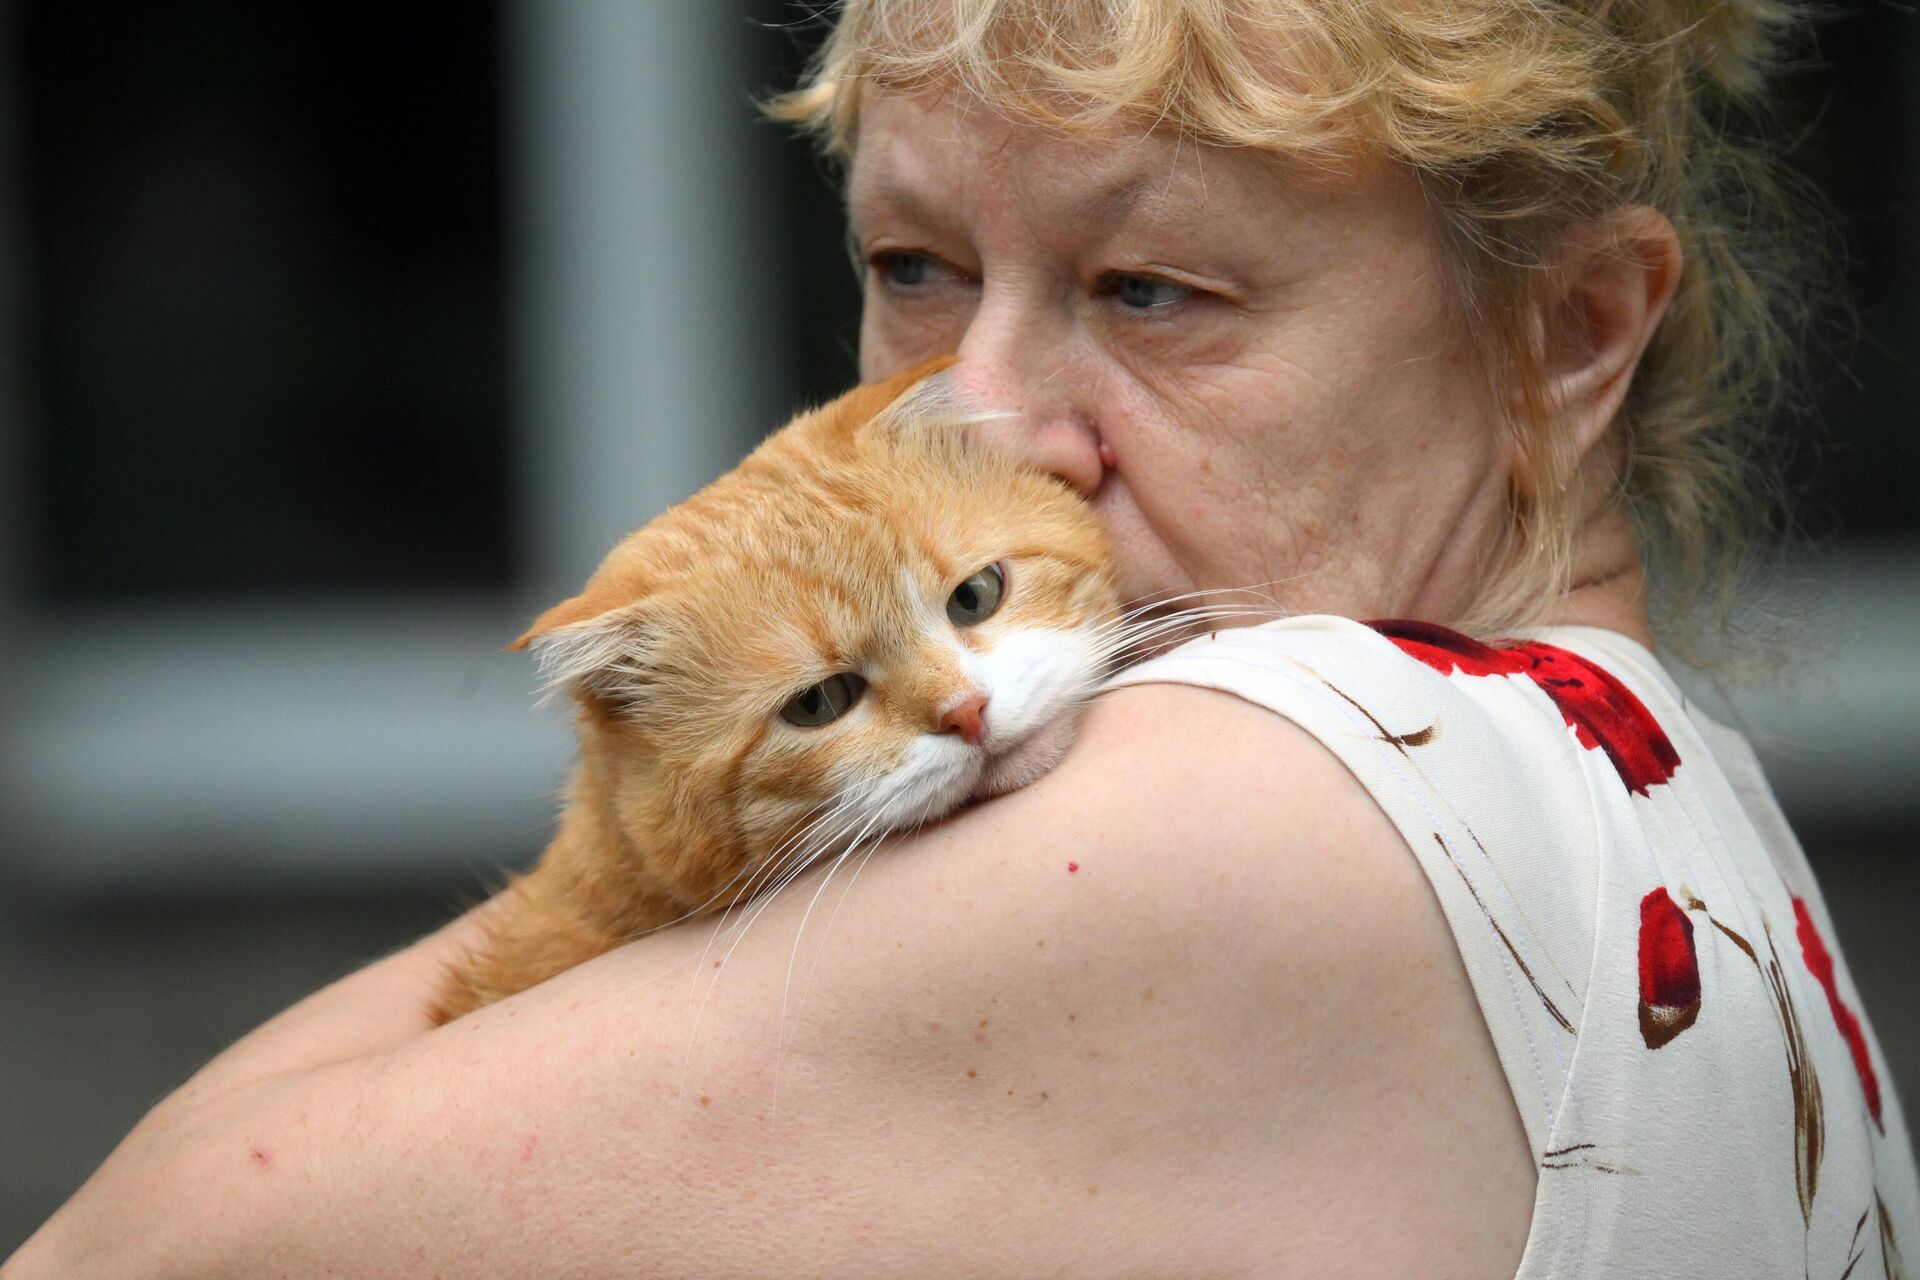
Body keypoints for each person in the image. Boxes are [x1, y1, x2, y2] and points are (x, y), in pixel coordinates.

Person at [8, 1, 1916, 1275]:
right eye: (912, 266)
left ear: (1569, 336)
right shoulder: (1666, 819)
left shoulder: (1275, 797)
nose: (986, 419)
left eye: (1152, 288)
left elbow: (139, 1250)